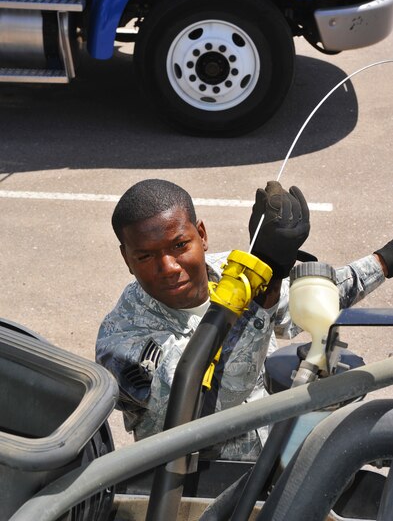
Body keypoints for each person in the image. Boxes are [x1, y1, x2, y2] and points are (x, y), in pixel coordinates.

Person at [96, 178, 393, 461]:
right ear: (126, 259)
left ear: (202, 235)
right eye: (146, 257)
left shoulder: (231, 273)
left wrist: (383, 261)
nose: (169, 267)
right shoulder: (121, 344)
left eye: (179, 245)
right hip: (191, 493)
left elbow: (306, 303)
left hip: (273, 457)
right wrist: (270, 278)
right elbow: (216, 401)